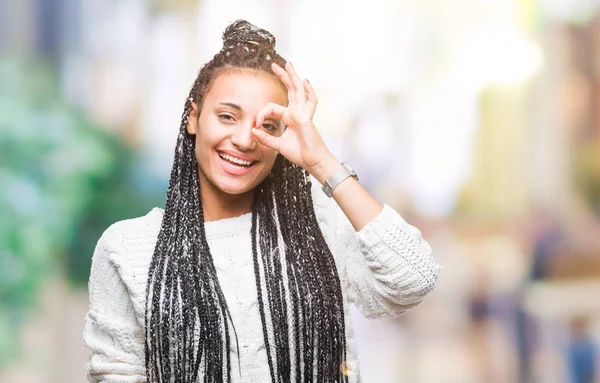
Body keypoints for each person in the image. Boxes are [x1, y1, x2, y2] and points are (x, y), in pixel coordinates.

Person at [83, 20, 439, 383]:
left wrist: (320, 161)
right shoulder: (128, 249)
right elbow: (116, 373)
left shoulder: (319, 226)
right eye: (227, 116)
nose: (244, 139)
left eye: (267, 126)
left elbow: (413, 279)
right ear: (193, 118)